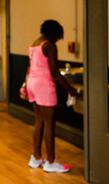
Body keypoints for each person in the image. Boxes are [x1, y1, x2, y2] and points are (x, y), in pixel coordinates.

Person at [26, 20, 78, 172]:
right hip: (44, 85)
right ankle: (51, 162)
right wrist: (70, 89)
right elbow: (54, 71)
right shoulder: (49, 45)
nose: (57, 40)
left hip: (32, 83)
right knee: (50, 124)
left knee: (40, 120)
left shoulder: (34, 44)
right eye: (57, 36)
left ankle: (36, 158)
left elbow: (30, 66)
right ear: (53, 33)